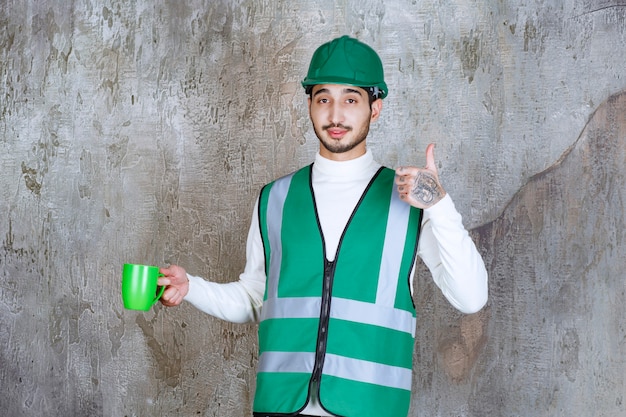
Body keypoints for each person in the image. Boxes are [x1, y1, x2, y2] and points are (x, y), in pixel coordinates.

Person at [158, 35, 488, 417]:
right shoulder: (274, 199)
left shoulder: (409, 201)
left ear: (374, 108)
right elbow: (254, 298)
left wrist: (440, 206)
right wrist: (192, 287)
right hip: (280, 407)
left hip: (370, 409)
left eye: (350, 99)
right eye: (323, 99)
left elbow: (471, 298)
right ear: (310, 106)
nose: (335, 114)